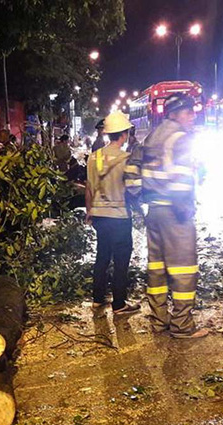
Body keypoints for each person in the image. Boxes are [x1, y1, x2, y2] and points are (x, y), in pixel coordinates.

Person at [127, 94, 208, 338]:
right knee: (183, 269)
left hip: (155, 211)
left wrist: (142, 196)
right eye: (188, 112)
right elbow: (183, 179)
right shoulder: (181, 138)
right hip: (175, 213)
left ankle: (159, 320)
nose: (193, 116)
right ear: (174, 113)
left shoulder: (151, 136)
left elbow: (131, 172)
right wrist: (185, 209)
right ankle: (182, 325)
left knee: (157, 268)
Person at [86, 112, 138, 315]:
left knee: (102, 257)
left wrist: (89, 212)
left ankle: (98, 299)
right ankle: (119, 304)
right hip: (120, 217)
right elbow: (133, 190)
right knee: (121, 261)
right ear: (124, 135)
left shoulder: (94, 157)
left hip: (99, 215)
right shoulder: (127, 159)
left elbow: (89, 188)